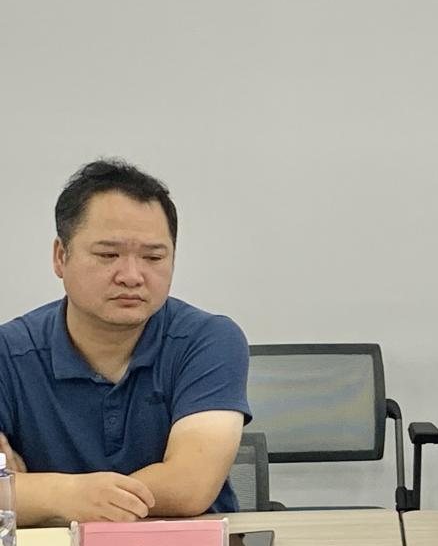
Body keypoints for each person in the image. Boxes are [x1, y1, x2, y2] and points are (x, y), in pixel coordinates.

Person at [0, 159, 251, 526]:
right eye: (108, 255)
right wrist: (67, 494)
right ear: (60, 257)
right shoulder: (8, 352)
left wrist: (42, 494)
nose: (132, 276)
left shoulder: (208, 341)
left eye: (153, 257)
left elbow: (189, 486)